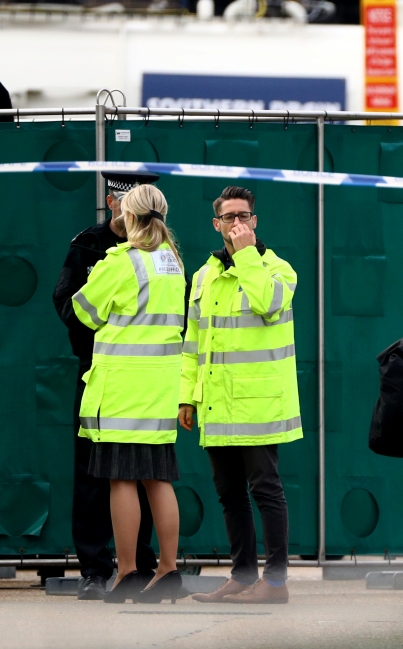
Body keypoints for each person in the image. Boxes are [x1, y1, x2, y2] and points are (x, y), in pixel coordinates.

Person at [179, 186, 301, 605]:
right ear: (216, 224)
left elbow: (268, 303)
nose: (236, 223)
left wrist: (247, 255)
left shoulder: (279, 270)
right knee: (230, 496)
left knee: (266, 491)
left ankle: (277, 582)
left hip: (259, 405)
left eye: (243, 216)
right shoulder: (204, 275)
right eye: (228, 217)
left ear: (254, 221)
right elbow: (193, 343)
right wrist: (187, 397)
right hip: (215, 404)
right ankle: (243, 576)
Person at [72, 184, 187, 604]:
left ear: (128, 216)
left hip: (122, 387)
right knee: (157, 478)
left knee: (121, 479)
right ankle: (169, 569)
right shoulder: (174, 263)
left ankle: (126, 574)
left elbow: (85, 311)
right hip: (160, 386)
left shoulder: (120, 261)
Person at [52, 171, 161, 601]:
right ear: (113, 204)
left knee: (147, 474)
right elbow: (67, 303)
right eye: (124, 202)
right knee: (94, 473)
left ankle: (144, 566)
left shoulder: (160, 251)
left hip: (146, 378)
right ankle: (95, 569)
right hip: (98, 374)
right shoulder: (88, 245)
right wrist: (101, 342)